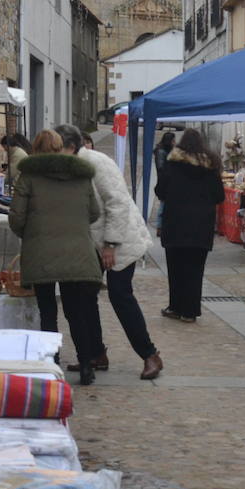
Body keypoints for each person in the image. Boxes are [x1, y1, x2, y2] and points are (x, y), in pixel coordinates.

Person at [56, 123, 163, 379]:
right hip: (91, 241)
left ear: (70, 147)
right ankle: (96, 353)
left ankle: (150, 355)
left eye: (57, 147)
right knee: (85, 297)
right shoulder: (69, 167)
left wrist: (111, 244)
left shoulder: (97, 162)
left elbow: (117, 202)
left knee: (120, 296)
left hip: (119, 240)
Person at [8, 129, 104, 384]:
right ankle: (86, 365)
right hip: (77, 253)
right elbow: (94, 213)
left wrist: (31, 233)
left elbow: (16, 218)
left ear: (35, 149)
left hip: (42, 252)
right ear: (61, 147)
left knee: (47, 310)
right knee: (76, 311)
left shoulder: (28, 176)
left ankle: (52, 363)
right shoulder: (81, 175)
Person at [155, 128, 225, 323]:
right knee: (195, 269)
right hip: (201, 225)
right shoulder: (210, 167)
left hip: (175, 223)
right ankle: (190, 311)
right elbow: (219, 196)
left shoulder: (173, 164)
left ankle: (175, 306)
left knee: (175, 268)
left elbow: (160, 190)